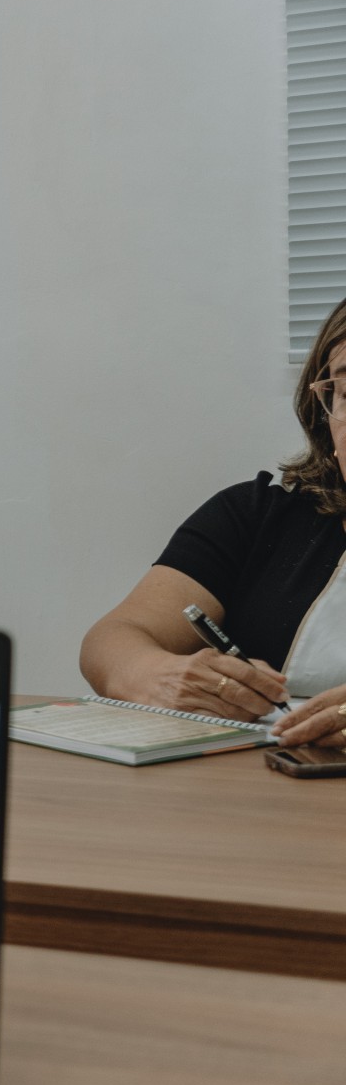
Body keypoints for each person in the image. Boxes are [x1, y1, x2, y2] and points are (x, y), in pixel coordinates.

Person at [79, 293, 346, 748]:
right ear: (326, 412)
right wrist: (161, 676)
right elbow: (111, 640)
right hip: (251, 793)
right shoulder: (257, 515)